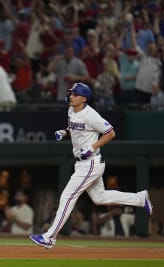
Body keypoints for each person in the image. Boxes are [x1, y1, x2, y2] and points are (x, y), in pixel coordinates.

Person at [29, 82, 153, 249]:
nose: (71, 96)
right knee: (100, 198)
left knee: (67, 196)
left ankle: (49, 237)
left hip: (90, 162)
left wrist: (92, 147)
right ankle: (139, 198)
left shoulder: (90, 114)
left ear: (83, 98)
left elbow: (111, 133)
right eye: (71, 93)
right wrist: (64, 132)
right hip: (83, 164)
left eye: (74, 94)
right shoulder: (72, 109)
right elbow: (74, 127)